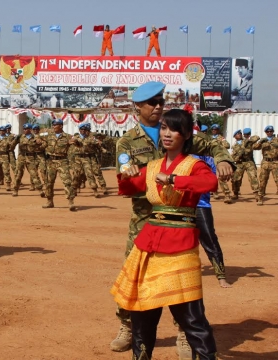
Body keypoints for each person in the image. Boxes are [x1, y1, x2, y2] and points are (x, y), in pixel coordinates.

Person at [111, 81, 234, 355]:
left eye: (160, 102)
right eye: (151, 103)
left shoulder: (179, 130)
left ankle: (183, 334)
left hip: (180, 219)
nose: (157, 107)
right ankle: (127, 326)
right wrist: (126, 176)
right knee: (138, 282)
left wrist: (224, 159)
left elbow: (211, 156)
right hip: (146, 220)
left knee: (182, 290)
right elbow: (127, 177)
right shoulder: (128, 140)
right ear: (138, 107)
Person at [192, 154, 232, 288]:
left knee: (209, 238)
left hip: (201, 204)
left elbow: (212, 182)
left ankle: (221, 276)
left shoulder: (208, 159)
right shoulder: (178, 154)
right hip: (179, 204)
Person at [41, 119, 77, 211]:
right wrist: (38, 142)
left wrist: (75, 141)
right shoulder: (49, 136)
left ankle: (70, 202)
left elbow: (78, 144)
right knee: (49, 182)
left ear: (61, 126)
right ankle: (49, 201)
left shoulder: (68, 137)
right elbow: (42, 144)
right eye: (53, 125)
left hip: (62, 161)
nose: (53, 126)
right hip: (51, 161)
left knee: (67, 181)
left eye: (55, 125)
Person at [12, 123, 46, 198]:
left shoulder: (35, 137)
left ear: (30, 130)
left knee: (34, 174)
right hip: (21, 156)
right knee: (18, 174)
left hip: (31, 157)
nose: (24, 130)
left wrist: (39, 144)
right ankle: (15, 190)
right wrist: (15, 140)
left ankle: (40, 190)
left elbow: (43, 145)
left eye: (26, 129)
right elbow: (11, 146)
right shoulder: (20, 137)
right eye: (24, 129)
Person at [72, 123, 103, 198]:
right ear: (79, 130)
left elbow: (97, 143)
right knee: (76, 175)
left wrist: (100, 143)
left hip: (86, 158)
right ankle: (74, 189)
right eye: (81, 129)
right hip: (77, 158)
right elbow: (73, 142)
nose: (83, 131)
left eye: (84, 129)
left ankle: (95, 190)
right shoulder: (76, 137)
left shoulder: (90, 138)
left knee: (89, 174)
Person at [231, 128, 261, 205]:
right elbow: (233, 157)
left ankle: (257, 195)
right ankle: (235, 193)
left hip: (249, 162)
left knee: (253, 178)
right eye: (237, 134)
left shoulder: (247, 141)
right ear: (235, 136)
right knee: (236, 179)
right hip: (239, 163)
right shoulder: (234, 146)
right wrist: (237, 157)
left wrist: (248, 141)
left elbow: (256, 137)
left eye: (240, 133)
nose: (239, 134)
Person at [253, 125, 278, 201]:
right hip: (265, 162)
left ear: (273, 132)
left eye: (271, 131)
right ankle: (260, 197)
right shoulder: (263, 140)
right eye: (268, 131)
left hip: (275, 162)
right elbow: (254, 147)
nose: (269, 133)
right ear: (265, 132)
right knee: (263, 180)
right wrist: (260, 142)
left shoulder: (277, 140)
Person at [209, 124, 232, 204]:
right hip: (210, 160)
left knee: (221, 177)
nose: (214, 131)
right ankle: (214, 192)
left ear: (218, 130)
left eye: (216, 129)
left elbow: (227, 145)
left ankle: (227, 195)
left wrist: (220, 143)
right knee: (211, 177)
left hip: (219, 159)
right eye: (213, 129)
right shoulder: (209, 138)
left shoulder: (221, 138)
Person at [0, 126, 14, 191]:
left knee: (6, 171)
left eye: (3, 131)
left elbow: (11, 147)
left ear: (5, 131)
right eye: (0, 130)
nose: (1, 132)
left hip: (4, 155)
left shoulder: (8, 139)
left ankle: (8, 184)